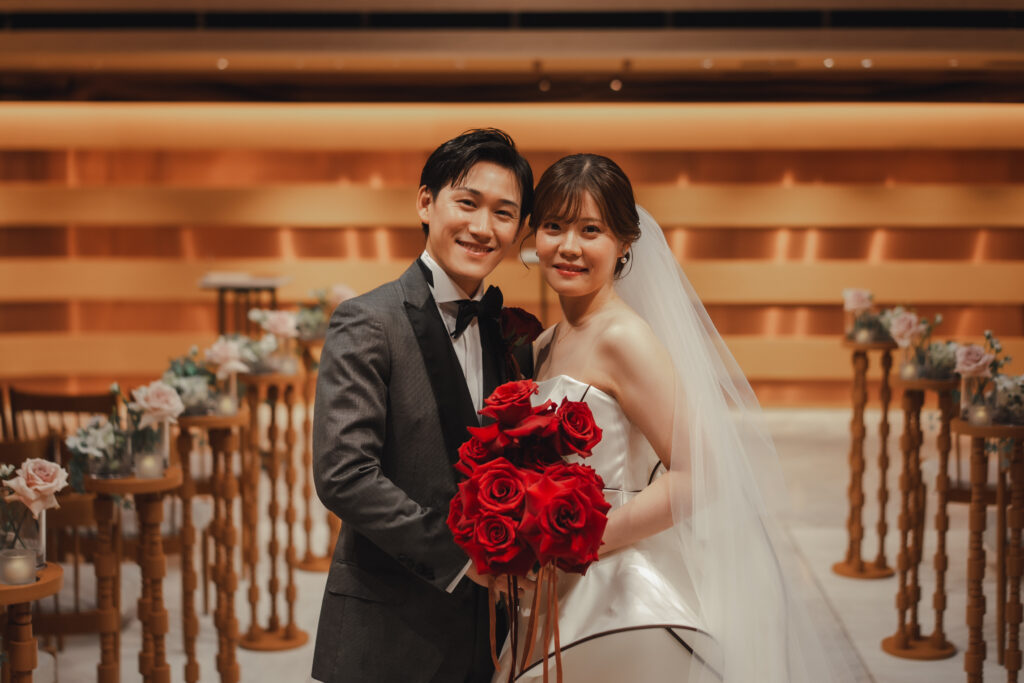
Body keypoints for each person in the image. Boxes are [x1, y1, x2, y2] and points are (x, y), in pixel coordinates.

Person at [494, 154, 853, 682]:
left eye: (590, 230)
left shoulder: (624, 338)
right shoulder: (548, 341)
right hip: (559, 579)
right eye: (554, 227)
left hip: (617, 589)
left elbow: (699, 475)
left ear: (624, 243)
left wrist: (578, 543)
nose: (568, 246)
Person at [311, 128, 534, 683]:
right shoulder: (369, 320)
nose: (483, 227)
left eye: (504, 213)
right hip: (391, 628)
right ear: (426, 203)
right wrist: (462, 559)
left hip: (491, 631)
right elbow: (344, 475)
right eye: (467, 203)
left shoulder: (509, 333)